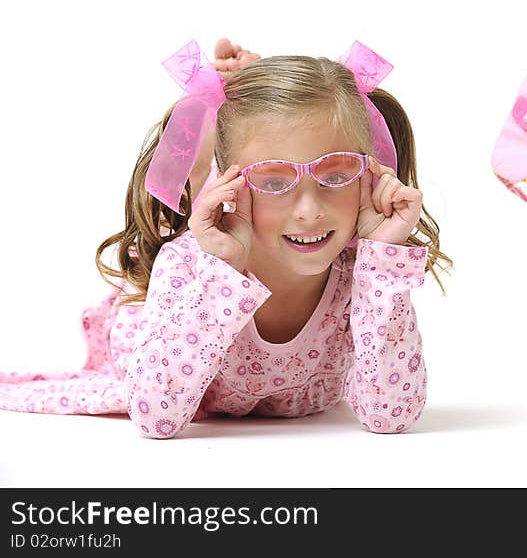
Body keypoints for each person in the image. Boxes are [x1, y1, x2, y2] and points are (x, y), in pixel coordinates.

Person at [0, 38, 451, 438]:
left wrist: (383, 257)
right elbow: (156, 418)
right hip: (176, 327)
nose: (310, 210)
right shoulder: (192, 268)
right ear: (229, 187)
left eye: (335, 174)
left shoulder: (363, 273)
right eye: (273, 182)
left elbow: (391, 415)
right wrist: (222, 272)